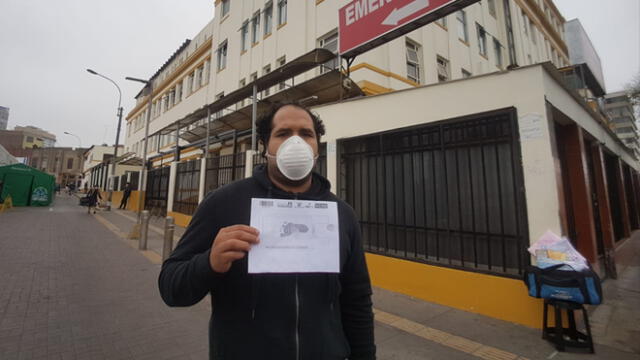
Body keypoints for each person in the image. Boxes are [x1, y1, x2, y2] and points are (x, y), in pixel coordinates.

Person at [158, 102, 376, 359]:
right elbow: (171, 288)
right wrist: (209, 263)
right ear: (264, 147)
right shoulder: (223, 203)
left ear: (317, 147)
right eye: (283, 134)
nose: (296, 143)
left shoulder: (341, 213)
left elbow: (357, 301)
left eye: (306, 134)